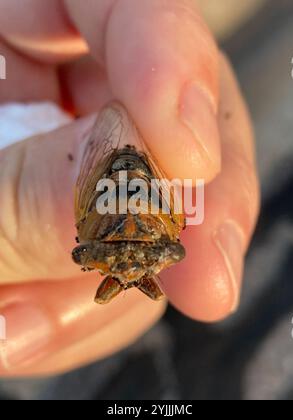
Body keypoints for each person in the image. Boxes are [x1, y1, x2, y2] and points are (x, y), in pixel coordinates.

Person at [0, 0, 259, 376]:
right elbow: (166, 247)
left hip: (113, 191)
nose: (132, 265)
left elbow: (87, 252)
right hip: (138, 189)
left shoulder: (110, 242)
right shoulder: (157, 238)